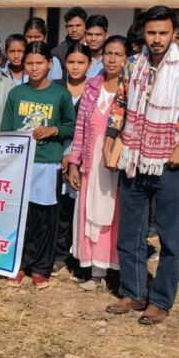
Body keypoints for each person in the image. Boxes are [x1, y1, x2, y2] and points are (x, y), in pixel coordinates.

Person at [102, 5, 179, 325]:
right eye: (151, 32)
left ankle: (161, 301)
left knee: (170, 239)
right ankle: (134, 292)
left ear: (174, 33)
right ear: (143, 33)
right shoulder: (131, 65)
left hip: (171, 165)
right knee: (130, 234)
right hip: (133, 160)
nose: (156, 39)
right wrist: (110, 141)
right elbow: (120, 104)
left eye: (163, 33)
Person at [1, 41, 76, 290]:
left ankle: (41, 267)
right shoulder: (16, 94)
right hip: (22, 163)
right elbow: (6, 130)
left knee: (46, 218)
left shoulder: (60, 94)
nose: (34, 68)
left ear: (49, 64)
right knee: (22, 216)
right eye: (29, 63)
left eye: (39, 63)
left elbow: (72, 125)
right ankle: (19, 264)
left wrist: (54, 129)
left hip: (48, 163)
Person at [66, 36, 128, 291]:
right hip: (93, 162)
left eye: (118, 54)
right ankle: (96, 271)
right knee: (91, 212)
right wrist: (74, 163)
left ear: (127, 58)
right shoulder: (92, 87)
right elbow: (81, 128)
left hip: (119, 162)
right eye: (108, 53)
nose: (112, 59)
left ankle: (119, 270)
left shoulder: (131, 88)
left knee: (117, 214)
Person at [54, 43, 92, 275]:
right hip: (56, 153)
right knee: (60, 208)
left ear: (89, 64)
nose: (75, 67)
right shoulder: (55, 87)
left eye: (81, 62)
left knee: (81, 208)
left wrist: (74, 156)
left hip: (84, 156)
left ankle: (81, 256)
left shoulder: (94, 89)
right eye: (71, 62)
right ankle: (59, 253)